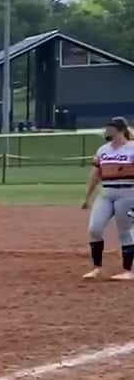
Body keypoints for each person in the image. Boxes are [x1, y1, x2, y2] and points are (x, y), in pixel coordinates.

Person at [82, 116, 134, 280]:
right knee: (94, 229)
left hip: (128, 193)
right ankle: (96, 268)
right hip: (106, 193)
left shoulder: (132, 148)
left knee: (124, 230)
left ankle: (128, 271)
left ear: (120, 130)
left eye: (109, 128)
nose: (106, 131)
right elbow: (95, 174)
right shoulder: (103, 150)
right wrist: (88, 196)